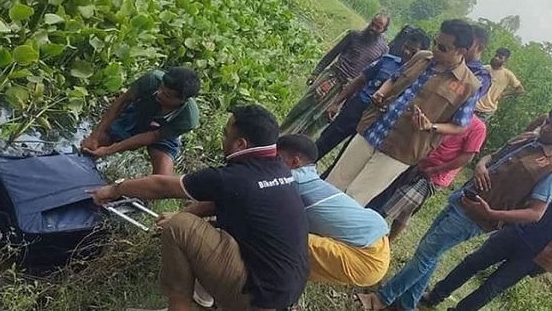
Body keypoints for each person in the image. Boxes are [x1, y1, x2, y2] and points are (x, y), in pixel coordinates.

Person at [356, 101, 552, 311]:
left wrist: (491, 213)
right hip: (464, 196)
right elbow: (491, 157)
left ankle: (382, 299)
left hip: (478, 216)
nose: (546, 128)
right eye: (547, 122)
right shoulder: (530, 139)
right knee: (430, 249)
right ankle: (407, 303)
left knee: (427, 252)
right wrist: (481, 166)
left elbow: (536, 213)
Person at [89, 104, 309, 311]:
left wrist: (116, 189)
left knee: (180, 227)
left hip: (256, 296)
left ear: (241, 144)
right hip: (282, 292)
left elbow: (161, 186)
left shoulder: (234, 178)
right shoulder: (278, 169)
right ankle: (205, 299)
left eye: (225, 134)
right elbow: (219, 201)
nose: (223, 139)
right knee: (204, 225)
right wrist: (185, 211)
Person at [326, 19, 481, 206]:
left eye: (442, 47)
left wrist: (431, 126)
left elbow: (459, 125)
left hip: (403, 147)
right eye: (435, 42)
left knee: (355, 197)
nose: (435, 49)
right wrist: (381, 93)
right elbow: (393, 79)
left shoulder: (469, 86)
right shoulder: (422, 57)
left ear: (461, 51)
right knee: (334, 181)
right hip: (373, 128)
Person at [423, 162, 552, 311]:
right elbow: (543, 192)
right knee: (473, 262)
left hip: (539, 253)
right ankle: (435, 295)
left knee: (493, 286)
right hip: (517, 230)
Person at [276, 134, 390, 287]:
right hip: (379, 242)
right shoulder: (309, 176)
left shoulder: (291, 180)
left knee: (284, 243)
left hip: (366, 261)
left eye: (277, 158)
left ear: (295, 162)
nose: (271, 163)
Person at [366, 113, 487, 242]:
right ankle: (388, 242)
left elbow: (466, 158)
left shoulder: (478, 127)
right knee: (403, 208)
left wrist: (436, 170)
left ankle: (372, 236)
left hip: (434, 176)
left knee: (394, 204)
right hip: (416, 160)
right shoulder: (451, 111)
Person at [315, 29, 430, 164]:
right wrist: (336, 103)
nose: (407, 52)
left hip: (375, 122)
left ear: (421, 54)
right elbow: (359, 81)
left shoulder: (418, 81)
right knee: (325, 141)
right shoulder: (387, 61)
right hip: (356, 109)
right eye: (406, 47)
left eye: (413, 51)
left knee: (348, 158)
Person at [279, 13, 390, 138]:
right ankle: (281, 134)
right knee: (303, 107)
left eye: (378, 27)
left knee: (321, 119)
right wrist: (316, 73)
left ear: (384, 30)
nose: (373, 28)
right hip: (332, 77)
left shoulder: (383, 50)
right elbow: (333, 54)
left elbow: (370, 75)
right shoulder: (354, 35)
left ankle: (296, 144)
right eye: (373, 24)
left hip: (347, 89)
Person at [81, 67, 200, 175]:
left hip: (162, 131)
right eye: (160, 89)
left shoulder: (188, 119)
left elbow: (152, 136)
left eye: (167, 96)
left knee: (162, 179)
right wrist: (95, 137)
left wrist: (109, 150)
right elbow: (122, 102)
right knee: (91, 147)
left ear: (182, 101)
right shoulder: (152, 80)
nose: (159, 94)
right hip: (137, 115)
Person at [475, 47, 525, 122]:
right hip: (474, 105)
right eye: (496, 55)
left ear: (505, 61)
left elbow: (520, 90)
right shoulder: (484, 68)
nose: (496, 58)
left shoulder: (507, 74)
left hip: (487, 110)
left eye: (500, 57)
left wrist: (503, 94)